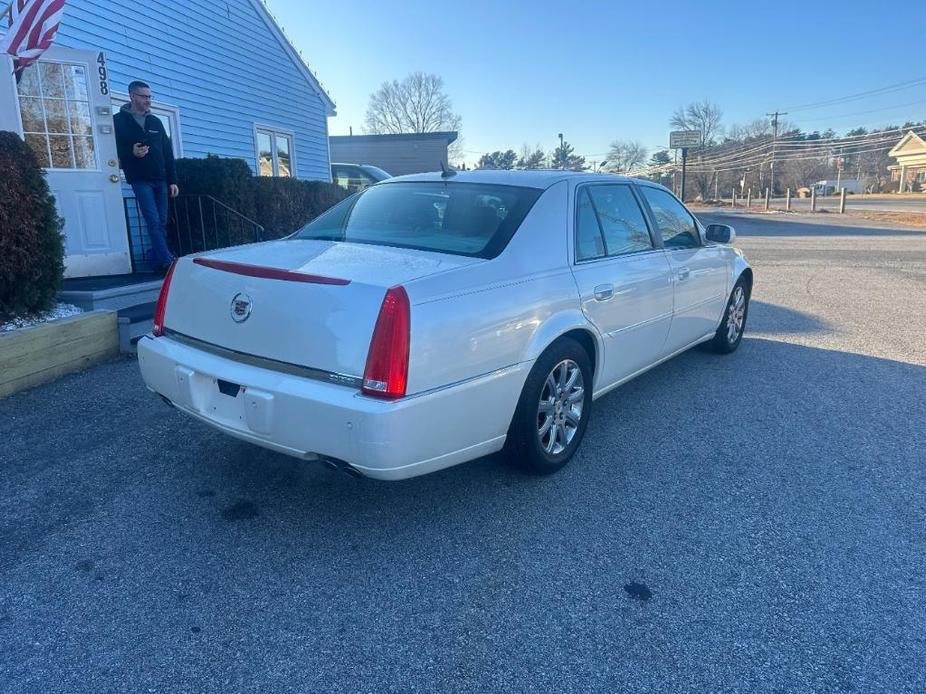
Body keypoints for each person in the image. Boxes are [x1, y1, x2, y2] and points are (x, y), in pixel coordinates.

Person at [113, 80, 178, 272]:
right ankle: (167, 261)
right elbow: (113, 150)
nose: (148, 100)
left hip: (161, 179)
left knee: (162, 221)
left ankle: (159, 258)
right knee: (153, 220)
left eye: (150, 96)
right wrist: (130, 153)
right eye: (144, 96)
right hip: (140, 180)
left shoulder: (155, 122)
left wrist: (173, 180)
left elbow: (167, 152)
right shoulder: (118, 121)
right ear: (132, 96)